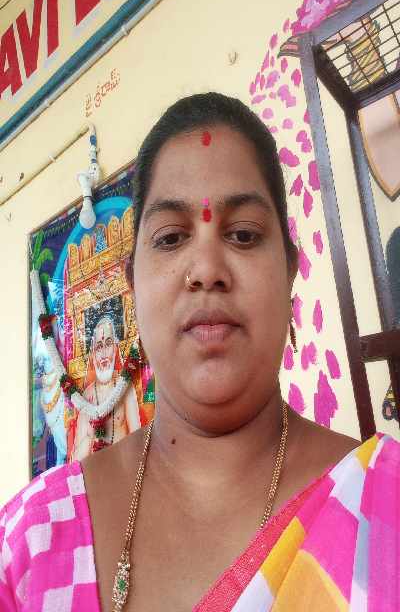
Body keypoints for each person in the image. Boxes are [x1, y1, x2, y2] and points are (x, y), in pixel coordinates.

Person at [0, 92, 399, 611]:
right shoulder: (29, 545)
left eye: (243, 234)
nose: (207, 269)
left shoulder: (386, 510)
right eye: (170, 238)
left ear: (289, 271)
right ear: (132, 284)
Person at [71, 315, 141, 461]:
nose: (103, 354)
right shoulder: (87, 395)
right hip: (95, 469)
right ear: (93, 354)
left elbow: (138, 441)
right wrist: (90, 435)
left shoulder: (125, 388)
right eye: (99, 347)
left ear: (115, 349)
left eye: (108, 344)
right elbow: (76, 460)